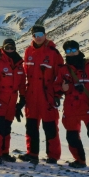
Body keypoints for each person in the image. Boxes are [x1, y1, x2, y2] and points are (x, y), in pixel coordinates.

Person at [58, 40, 89, 173]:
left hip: (88, 108)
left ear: (78, 49)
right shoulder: (63, 69)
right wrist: (62, 88)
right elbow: (55, 87)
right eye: (68, 51)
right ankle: (79, 160)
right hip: (71, 109)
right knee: (72, 137)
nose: (71, 53)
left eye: (73, 49)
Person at [18, 25, 64, 164]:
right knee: (31, 126)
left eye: (40, 34)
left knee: (50, 127)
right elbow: (24, 74)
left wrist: (57, 94)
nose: (38, 37)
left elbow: (60, 75)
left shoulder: (53, 53)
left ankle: (53, 156)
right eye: (35, 35)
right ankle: (32, 153)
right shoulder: (28, 52)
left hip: (47, 97)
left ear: (45, 35)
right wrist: (23, 96)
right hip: (32, 96)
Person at [0, 38, 26, 164]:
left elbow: (22, 84)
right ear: (3, 48)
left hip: (12, 101)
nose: (9, 50)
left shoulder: (19, 64)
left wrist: (22, 99)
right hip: (0, 101)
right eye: (7, 47)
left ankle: (5, 152)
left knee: (7, 127)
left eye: (12, 47)